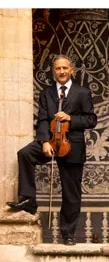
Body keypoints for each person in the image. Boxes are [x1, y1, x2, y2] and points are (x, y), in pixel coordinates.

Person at [6, 54, 97, 245]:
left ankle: (68, 234)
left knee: (71, 192)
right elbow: (42, 120)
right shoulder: (47, 92)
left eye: (65, 68)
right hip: (51, 140)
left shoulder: (82, 92)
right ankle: (29, 200)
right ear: (53, 71)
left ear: (71, 70)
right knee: (25, 154)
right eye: (58, 69)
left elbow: (91, 119)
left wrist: (71, 118)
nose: (61, 72)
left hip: (72, 144)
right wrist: (44, 141)